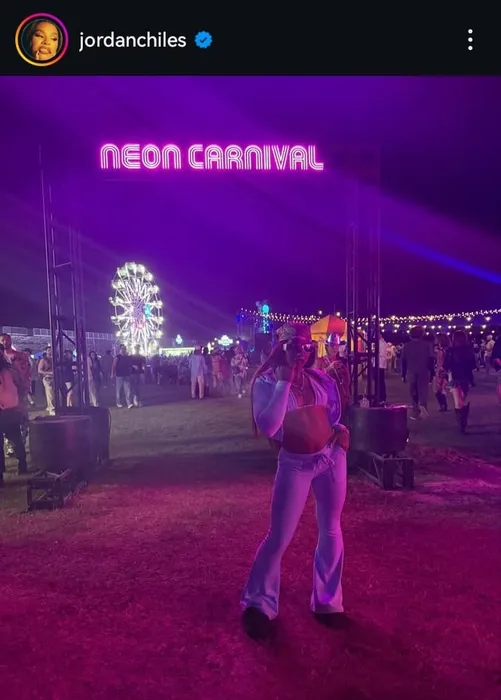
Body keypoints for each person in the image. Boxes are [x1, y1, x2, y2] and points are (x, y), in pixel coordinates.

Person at [241, 323, 348, 641]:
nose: (302, 352)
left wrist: (340, 432)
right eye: (295, 347)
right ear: (281, 347)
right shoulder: (266, 382)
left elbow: (332, 413)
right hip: (296, 463)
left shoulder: (319, 378)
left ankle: (328, 602)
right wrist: (283, 383)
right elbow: (269, 426)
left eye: (306, 346)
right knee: (279, 536)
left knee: (331, 527)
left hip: (330, 458)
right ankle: (259, 604)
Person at [0, 345, 28, 485]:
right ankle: (22, 467)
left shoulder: (11, 371)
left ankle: (1, 475)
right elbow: (22, 387)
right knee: (16, 440)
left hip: (5, 410)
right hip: (12, 410)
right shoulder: (11, 371)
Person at [444, 331, 476, 434]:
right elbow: (473, 365)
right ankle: (463, 420)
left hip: (455, 376)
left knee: (458, 401)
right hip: (466, 377)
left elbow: (446, 365)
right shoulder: (469, 349)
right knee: (463, 398)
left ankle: (462, 423)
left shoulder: (451, 350)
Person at [402, 326, 434, 419]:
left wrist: (403, 374)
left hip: (411, 370)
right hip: (424, 370)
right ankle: (423, 406)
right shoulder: (427, 345)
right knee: (423, 390)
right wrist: (432, 372)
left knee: (413, 391)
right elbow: (431, 359)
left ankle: (415, 409)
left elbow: (403, 361)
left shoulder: (406, 346)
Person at [112, 345, 133, 409]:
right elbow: (114, 365)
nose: (123, 350)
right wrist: (112, 373)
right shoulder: (117, 357)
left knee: (128, 390)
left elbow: (129, 365)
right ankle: (118, 402)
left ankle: (129, 403)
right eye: (122, 349)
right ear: (120, 349)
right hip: (119, 375)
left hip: (126, 374)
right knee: (119, 390)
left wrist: (130, 372)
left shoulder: (127, 357)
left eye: (124, 349)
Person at [433, 334, 450, 412]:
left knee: (438, 389)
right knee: (440, 389)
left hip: (441, 370)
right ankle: (443, 405)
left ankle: (443, 405)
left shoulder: (442, 350)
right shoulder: (443, 350)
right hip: (441, 369)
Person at [38, 346, 55, 415]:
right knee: (50, 393)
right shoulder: (43, 360)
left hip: (54, 378)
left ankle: (50, 406)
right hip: (47, 378)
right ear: (46, 351)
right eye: (49, 350)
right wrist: (49, 373)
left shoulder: (54, 359)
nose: (50, 351)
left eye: (51, 350)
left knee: (53, 394)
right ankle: (51, 408)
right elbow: (39, 370)